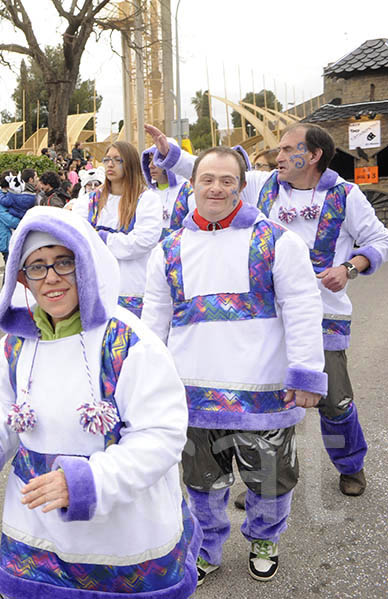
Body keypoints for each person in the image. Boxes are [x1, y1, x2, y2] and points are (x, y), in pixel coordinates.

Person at [0, 206, 199, 599]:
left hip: (121, 535)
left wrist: (87, 482)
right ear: (22, 278)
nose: (50, 277)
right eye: (37, 266)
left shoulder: (130, 343)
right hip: (38, 532)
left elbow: (161, 437)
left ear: (86, 263)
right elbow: (8, 410)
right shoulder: (14, 346)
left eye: (62, 262)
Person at [147, 122, 388, 498]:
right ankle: (262, 476)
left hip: (324, 312)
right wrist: (171, 153)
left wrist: (350, 267)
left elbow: (378, 239)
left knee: (334, 400)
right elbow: (216, 175)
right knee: (261, 399)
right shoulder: (264, 185)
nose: (278, 156)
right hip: (269, 314)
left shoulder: (346, 195)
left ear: (312, 156)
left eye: (288, 148)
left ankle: (350, 465)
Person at [142, 146, 327, 584]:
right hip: (192, 395)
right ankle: (205, 547)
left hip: (263, 390)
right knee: (202, 482)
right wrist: (146, 387)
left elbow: (302, 307)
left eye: (228, 180)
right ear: (192, 185)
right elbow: (153, 324)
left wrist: (304, 374)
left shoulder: (276, 241)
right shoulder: (167, 250)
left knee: (270, 479)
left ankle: (265, 538)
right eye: (208, 179)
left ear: (242, 187)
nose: (217, 188)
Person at [70, 141, 162, 317]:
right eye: (107, 159)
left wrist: (102, 238)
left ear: (130, 163)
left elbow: (142, 242)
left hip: (133, 289)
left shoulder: (147, 200)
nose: (110, 164)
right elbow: (79, 239)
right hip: (97, 289)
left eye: (118, 160)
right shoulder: (88, 202)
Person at [140, 144, 195, 240]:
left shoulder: (187, 190)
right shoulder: (146, 195)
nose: (150, 166)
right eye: (149, 161)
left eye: (156, 160)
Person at [0, 171, 20, 263]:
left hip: (11, 237)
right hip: (6, 239)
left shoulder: (7, 197)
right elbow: (9, 220)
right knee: (11, 270)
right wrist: (24, 221)